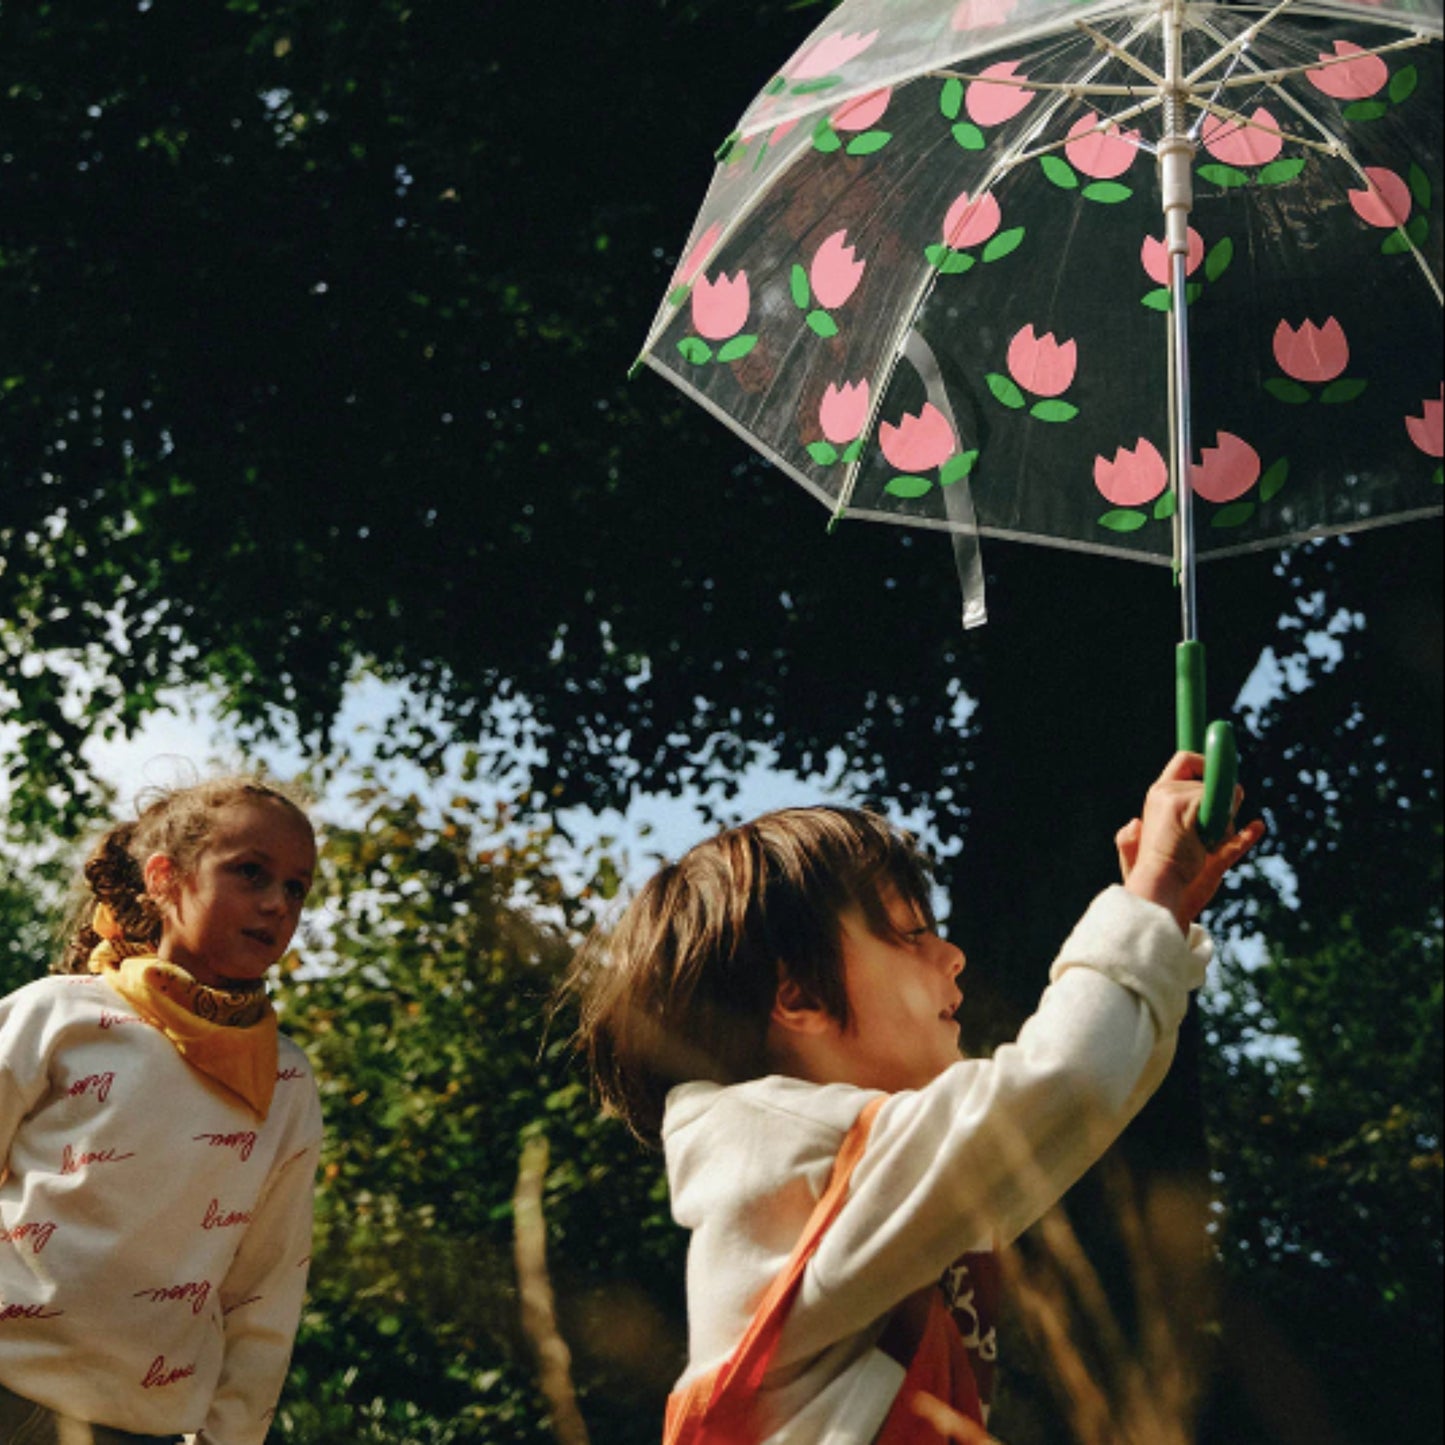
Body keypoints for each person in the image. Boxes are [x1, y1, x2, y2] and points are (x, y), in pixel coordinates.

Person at [566, 753, 1264, 1443]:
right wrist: (1148, 900)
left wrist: (1160, 921)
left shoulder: (858, 1188)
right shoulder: (794, 1158)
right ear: (799, 994)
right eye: (908, 934)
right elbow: (1062, 1088)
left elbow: (1081, 1103)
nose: (951, 953)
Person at [0, 775, 325, 1445]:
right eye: (251, 872)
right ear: (164, 879)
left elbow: (267, 1284)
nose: (275, 904)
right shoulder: (57, 1011)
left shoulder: (286, 1079)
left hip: (135, 1426)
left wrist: (229, 1435)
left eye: (296, 887)